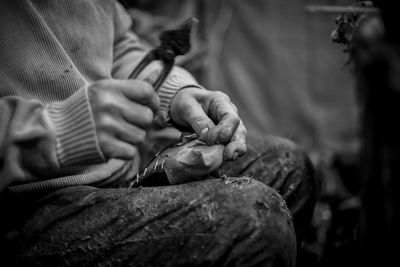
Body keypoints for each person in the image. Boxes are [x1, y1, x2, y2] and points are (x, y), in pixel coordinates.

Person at [0, 1, 318, 266]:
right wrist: (56, 131)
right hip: (23, 202)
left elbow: (118, 46)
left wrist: (176, 94)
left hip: (116, 168)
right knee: (254, 220)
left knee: (289, 163)